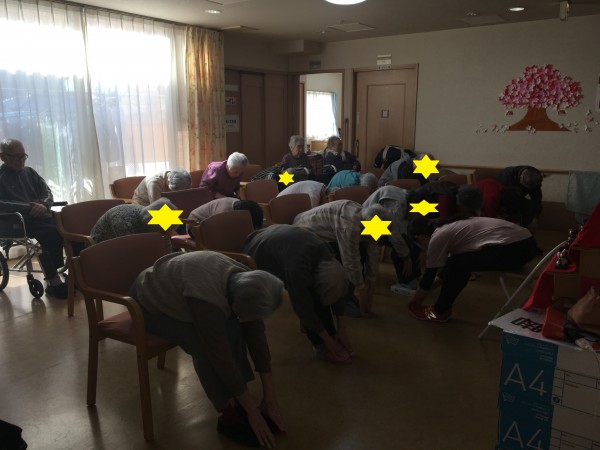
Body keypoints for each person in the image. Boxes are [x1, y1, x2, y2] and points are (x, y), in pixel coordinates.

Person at [129, 251, 288, 448]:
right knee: (202, 345)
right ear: (235, 304)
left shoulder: (249, 280)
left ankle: (239, 396)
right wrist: (253, 412)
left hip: (179, 288)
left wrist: (270, 397)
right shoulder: (206, 300)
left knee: (234, 327)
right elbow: (219, 356)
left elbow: (256, 336)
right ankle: (227, 412)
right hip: (147, 305)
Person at [244, 225, 353, 364]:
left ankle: (329, 335)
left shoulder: (328, 254)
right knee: (313, 299)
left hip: (278, 242)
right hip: (256, 252)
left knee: (319, 294)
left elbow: (337, 293)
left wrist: (342, 329)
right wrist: (328, 341)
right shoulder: (297, 269)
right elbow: (303, 307)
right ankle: (321, 346)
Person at [406, 215, 538, 322]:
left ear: (419, 237)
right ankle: (441, 309)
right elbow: (444, 273)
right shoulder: (450, 226)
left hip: (514, 250)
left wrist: (415, 301)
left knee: (457, 265)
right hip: (527, 246)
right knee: (456, 263)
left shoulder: (438, 236)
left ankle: (439, 312)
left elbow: (429, 276)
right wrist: (425, 293)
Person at [293, 200, 387, 315]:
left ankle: (347, 294)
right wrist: (362, 292)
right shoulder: (350, 226)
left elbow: (372, 248)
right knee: (344, 261)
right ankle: (338, 301)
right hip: (305, 231)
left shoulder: (367, 218)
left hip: (328, 233)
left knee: (361, 250)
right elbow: (350, 261)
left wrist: (371, 283)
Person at [0, 138, 67, 298]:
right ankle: (53, 281)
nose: (21, 160)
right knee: (52, 233)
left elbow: (47, 192)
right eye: (16, 157)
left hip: (42, 215)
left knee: (74, 229)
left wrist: (44, 204)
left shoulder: (30, 172)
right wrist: (29, 207)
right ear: (3, 157)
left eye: (23, 156)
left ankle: (80, 273)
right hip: (18, 221)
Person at [90, 198, 179, 244]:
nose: (167, 232)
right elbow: (129, 249)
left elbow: (165, 241)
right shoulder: (124, 222)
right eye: (164, 230)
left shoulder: (148, 214)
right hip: (102, 245)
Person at [188, 198, 264, 233]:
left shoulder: (240, 205)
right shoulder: (223, 214)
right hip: (196, 225)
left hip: (211, 223)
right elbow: (219, 233)